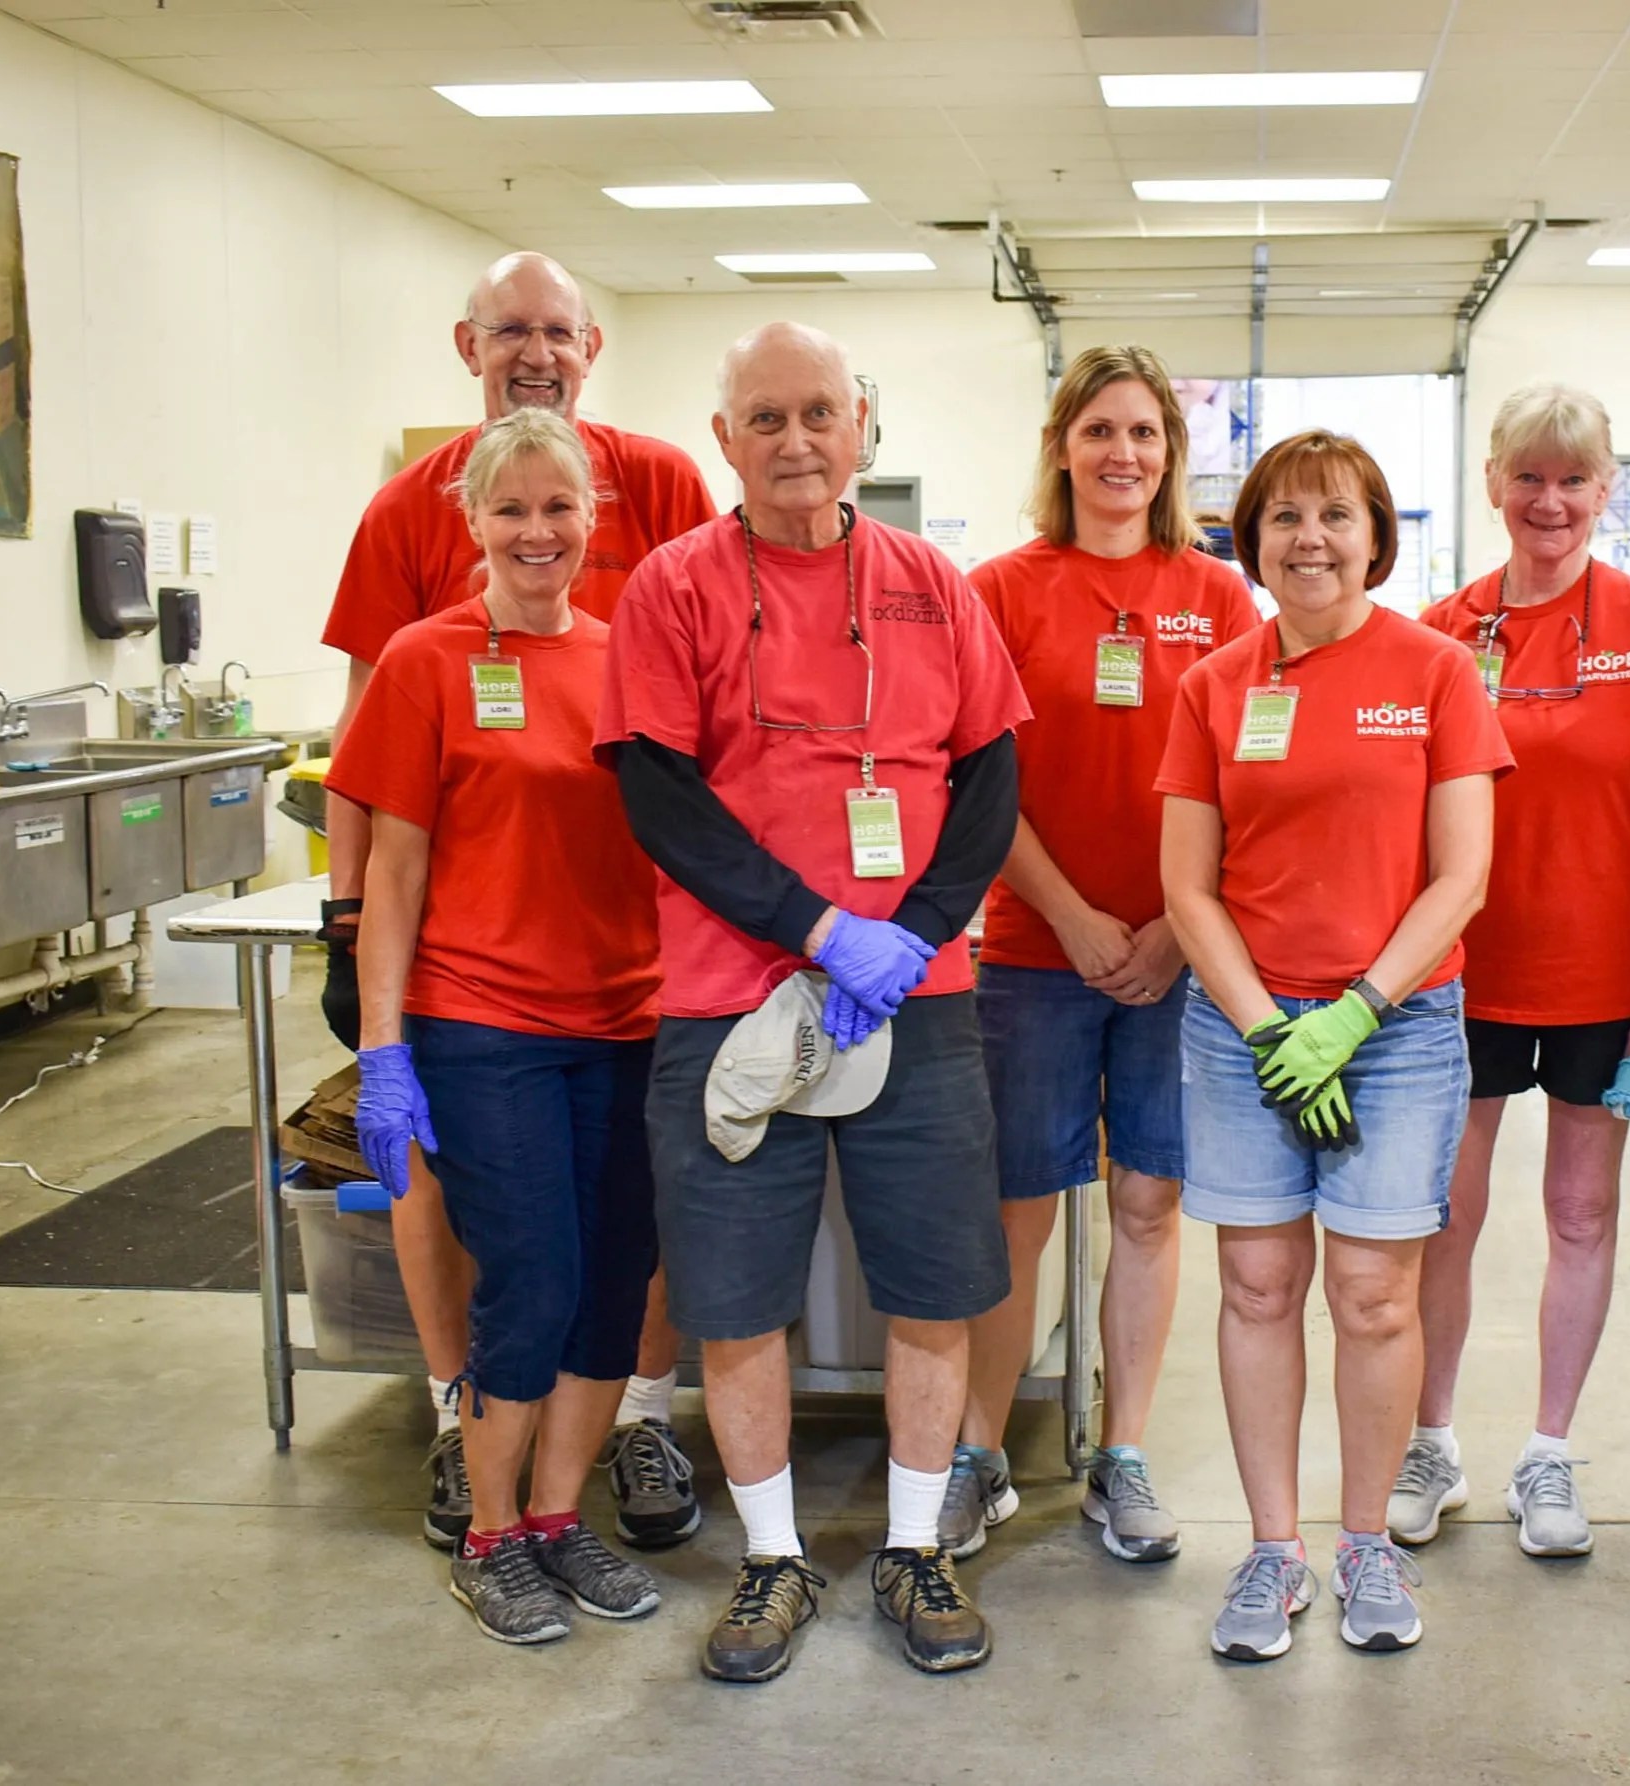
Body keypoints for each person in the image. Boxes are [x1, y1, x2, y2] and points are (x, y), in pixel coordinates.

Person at [597, 321, 1028, 1682]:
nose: (796, 441)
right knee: (732, 1299)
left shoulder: (931, 584)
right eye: (766, 418)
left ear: (864, 426)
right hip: (734, 1001)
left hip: (922, 997)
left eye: (819, 414)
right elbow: (657, 794)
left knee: (935, 1286)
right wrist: (822, 928)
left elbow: (992, 773)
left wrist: (911, 934)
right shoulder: (671, 590)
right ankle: (775, 1560)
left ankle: (914, 1545)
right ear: (725, 438)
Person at [320, 251, 716, 1554]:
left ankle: (569, 1497)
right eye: (513, 513)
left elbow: (701, 780)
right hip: (481, 1008)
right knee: (528, 1268)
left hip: (628, 1004)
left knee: (610, 1273)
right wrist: (366, 993)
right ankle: (484, 1485)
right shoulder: (432, 642)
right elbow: (388, 836)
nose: (539, 530)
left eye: (558, 329)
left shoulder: (625, 627)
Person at [1158, 429, 1511, 1660]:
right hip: (1244, 1029)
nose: (1310, 538)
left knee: (1371, 1294)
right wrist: (1269, 1031)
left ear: (1375, 534)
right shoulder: (1212, 686)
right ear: (1247, 539)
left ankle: (1365, 1543)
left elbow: (1462, 874)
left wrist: (1356, 1012)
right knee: (1258, 1285)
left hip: (1398, 1030)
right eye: (1284, 517)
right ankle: (1271, 1551)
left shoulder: (1434, 672)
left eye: (1336, 515)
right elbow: (1187, 888)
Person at [1401, 385, 1630, 1558]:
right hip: (1463, 974)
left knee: (1580, 1211)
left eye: (1573, 479)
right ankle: (1427, 1438)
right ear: (1492, 481)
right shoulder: (1441, 629)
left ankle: (1547, 1452)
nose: (1550, 500)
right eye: (1528, 476)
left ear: (1607, 488)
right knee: (1444, 1214)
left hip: (1606, 980)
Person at [948, 346, 1260, 1564]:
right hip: (1035, 952)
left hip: (1180, 962)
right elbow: (979, 783)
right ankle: (982, 1452)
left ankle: (1119, 1452)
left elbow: (1247, 788)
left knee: (1147, 1199)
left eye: (1145, 433)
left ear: (1170, 456)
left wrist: (1179, 933)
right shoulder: (1000, 590)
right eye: (1101, 431)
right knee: (1018, 1205)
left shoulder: (1220, 598)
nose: (1123, 454)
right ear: (1062, 447)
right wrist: (1073, 917)